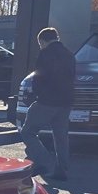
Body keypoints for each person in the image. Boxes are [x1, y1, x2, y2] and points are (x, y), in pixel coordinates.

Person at [21, 26, 76, 181]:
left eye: (40, 44)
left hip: (47, 101)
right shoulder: (69, 54)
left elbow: (38, 78)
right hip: (66, 102)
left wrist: (36, 95)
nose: (41, 46)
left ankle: (44, 161)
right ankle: (62, 170)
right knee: (61, 137)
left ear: (43, 41)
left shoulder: (45, 54)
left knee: (28, 132)